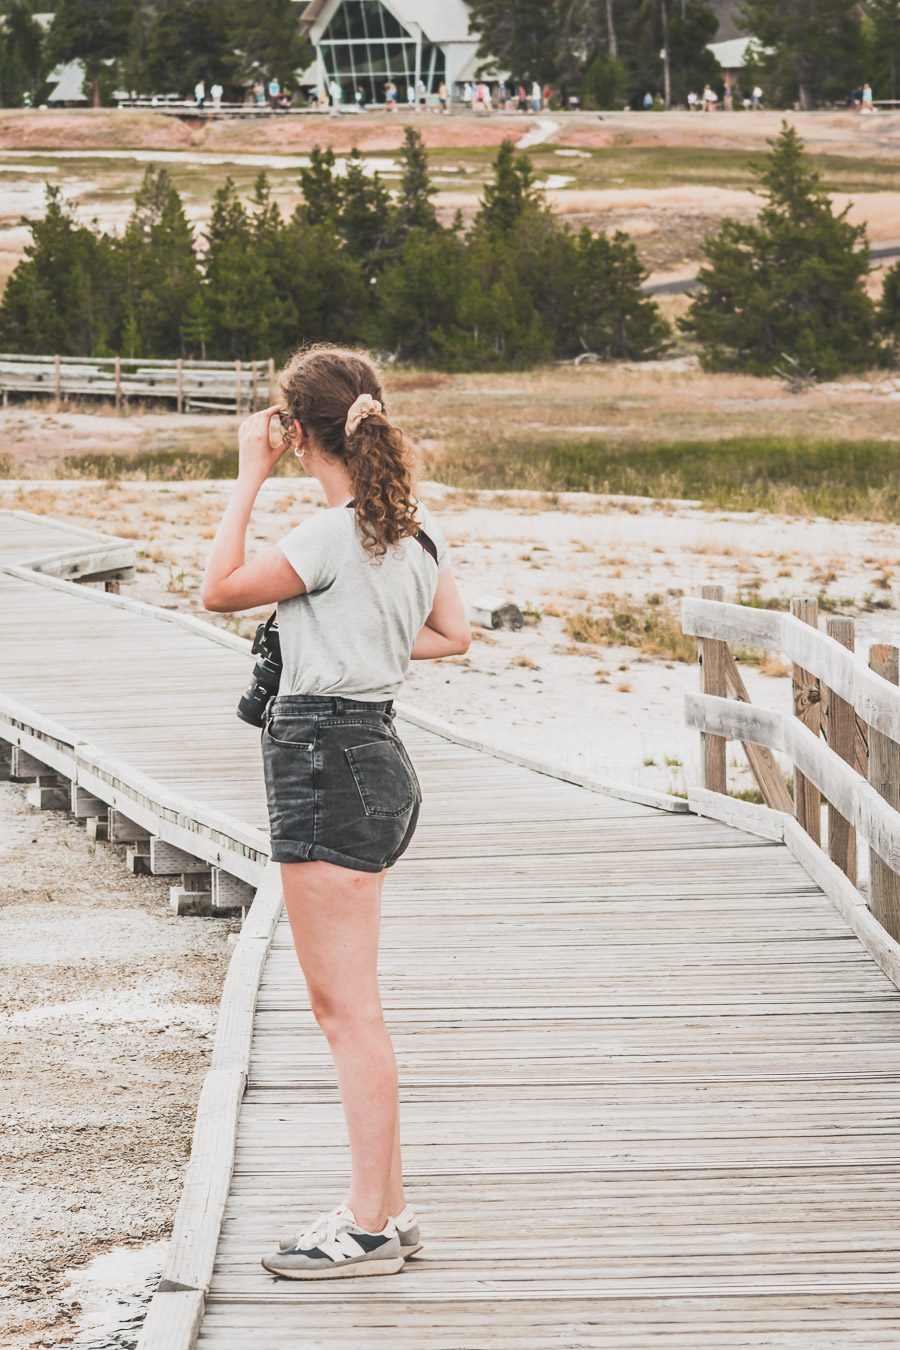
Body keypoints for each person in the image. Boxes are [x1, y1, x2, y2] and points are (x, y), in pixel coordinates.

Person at [201, 344, 471, 1281]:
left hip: (323, 755)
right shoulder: (412, 534)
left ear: (296, 432)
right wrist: (370, 643)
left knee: (345, 1011)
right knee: (357, 1005)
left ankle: (365, 1227)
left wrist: (246, 477)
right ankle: (388, 1210)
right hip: (377, 752)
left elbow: (217, 588)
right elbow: (453, 634)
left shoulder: (327, 534)